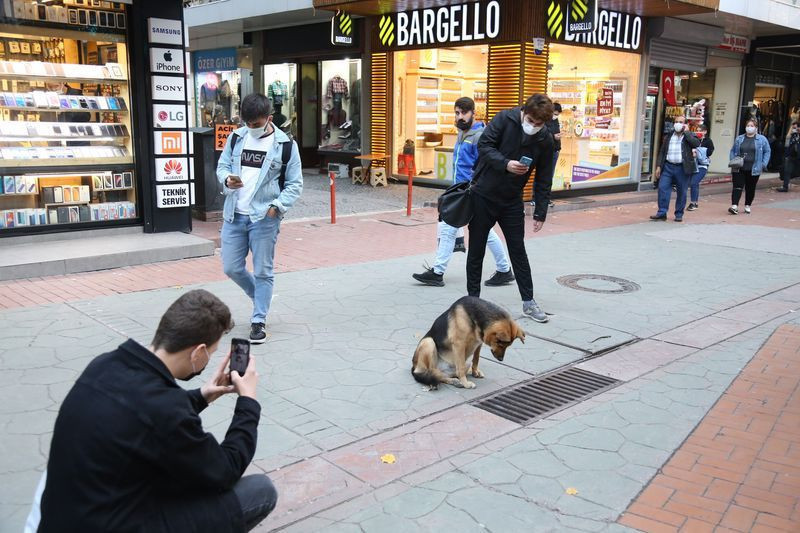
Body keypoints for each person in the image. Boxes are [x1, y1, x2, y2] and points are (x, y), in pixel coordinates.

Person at [35, 290, 277, 532]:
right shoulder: (166, 408)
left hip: (65, 517)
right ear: (198, 352)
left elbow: (143, 412)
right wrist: (248, 401)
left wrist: (203, 395)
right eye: (210, 354)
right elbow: (225, 470)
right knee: (259, 491)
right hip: (113, 524)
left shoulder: (106, 364)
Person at [217, 93, 303, 343]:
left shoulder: (285, 145)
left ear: (269, 118)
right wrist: (227, 179)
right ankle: (260, 297)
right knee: (231, 267)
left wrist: (277, 206)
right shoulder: (236, 138)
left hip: (264, 217)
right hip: (234, 214)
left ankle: (259, 320)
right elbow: (222, 166)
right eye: (247, 123)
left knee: (263, 270)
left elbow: (295, 184)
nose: (251, 128)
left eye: (256, 124)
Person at [467, 94, 556, 323]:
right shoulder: (504, 119)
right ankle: (472, 303)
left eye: (539, 124)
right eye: (531, 121)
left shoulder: (545, 139)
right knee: (476, 249)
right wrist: (505, 163)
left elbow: (544, 177)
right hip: (483, 194)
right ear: (524, 112)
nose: (533, 126)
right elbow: (484, 146)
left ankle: (529, 302)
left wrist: (540, 211)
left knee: (518, 250)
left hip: (512, 200)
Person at [413, 97, 513, 288]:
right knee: (482, 231)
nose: (460, 117)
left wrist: (474, 188)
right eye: (457, 113)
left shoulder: (479, 136)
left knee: (450, 228)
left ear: (473, 113)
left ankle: (437, 272)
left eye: (464, 113)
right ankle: (504, 269)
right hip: (461, 190)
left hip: (470, 191)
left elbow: (484, 165)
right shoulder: (462, 133)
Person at [650, 115, 700, 222]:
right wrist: (659, 166)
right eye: (676, 122)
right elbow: (662, 151)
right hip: (668, 166)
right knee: (662, 188)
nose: (678, 124)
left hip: (682, 168)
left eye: (681, 122)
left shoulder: (689, 135)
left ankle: (679, 214)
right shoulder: (669, 135)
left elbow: (696, 144)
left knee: (682, 191)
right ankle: (662, 212)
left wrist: (687, 132)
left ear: (685, 124)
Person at [728, 119, 771, 214]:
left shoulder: (762, 139)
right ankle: (734, 206)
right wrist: (733, 160)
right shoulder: (739, 138)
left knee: (750, 188)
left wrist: (763, 163)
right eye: (748, 126)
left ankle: (747, 205)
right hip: (739, 167)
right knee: (737, 186)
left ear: (756, 128)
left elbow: (767, 151)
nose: (749, 128)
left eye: (752, 126)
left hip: (754, 168)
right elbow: (733, 150)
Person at [687, 123, 715, 211]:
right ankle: (694, 202)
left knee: (694, 182)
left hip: (702, 165)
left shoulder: (708, 141)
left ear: (705, 132)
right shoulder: (693, 139)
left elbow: (710, 152)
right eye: (697, 131)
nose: (699, 132)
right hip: (692, 164)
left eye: (701, 131)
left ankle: (693, 202)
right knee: (694, 183)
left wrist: (699, 152)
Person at [777, 121, 799, 192]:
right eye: (794, 128)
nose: (796, 129)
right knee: (787, 171)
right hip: (791, 155)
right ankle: (785, 187)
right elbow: (787, 140)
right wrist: (791, 129)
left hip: (798, 156)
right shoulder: (793, 135)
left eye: (797, 127)